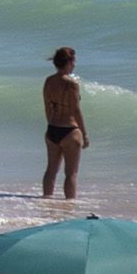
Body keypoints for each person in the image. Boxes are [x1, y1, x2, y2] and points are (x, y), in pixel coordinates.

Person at [41, 46, 86, 199]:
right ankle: (69, 207)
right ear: (68, 62)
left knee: (51, 170)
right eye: (73, 62)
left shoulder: (48, 81)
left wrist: (51, 124)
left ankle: (46, 203)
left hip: (52, 129)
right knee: (71, 174)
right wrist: (85, 134)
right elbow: (75, 110)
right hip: (69, 131)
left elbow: (47, 107)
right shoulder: (71, 84)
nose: (74, 65)